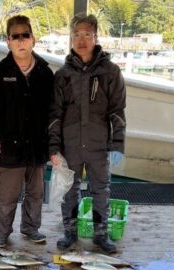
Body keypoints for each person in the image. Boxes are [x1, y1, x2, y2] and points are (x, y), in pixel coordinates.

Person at [0, 15, 53, 246]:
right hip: (9, 150)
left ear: (33, 40)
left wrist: (54, 144)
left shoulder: (45, 73)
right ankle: (1, 235)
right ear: (8, 42)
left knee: (36, 194)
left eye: (25, 35)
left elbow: (56, 111)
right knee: (6, 197)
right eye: (14, 36)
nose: (20, 41)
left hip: (37, 149)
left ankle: (30, 229)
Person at [49, 13, 126, 253]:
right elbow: (54, 115)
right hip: (70, 145)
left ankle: (101, 234)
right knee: (69, 188)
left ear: (95, 37)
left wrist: (117, 145)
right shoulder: (62, 75)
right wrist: (53, 148)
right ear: (71, 39)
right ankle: (69, 231)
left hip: (98, 144)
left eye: (87, 35)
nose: (82, 40)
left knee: (100, 188)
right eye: (77, 35)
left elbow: (117, 112)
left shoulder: (110, 72)